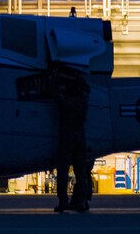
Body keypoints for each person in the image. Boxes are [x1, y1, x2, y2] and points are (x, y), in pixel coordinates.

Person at [50, 64, 91, 212]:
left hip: (67, 136)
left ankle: (63, 201)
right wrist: (78, 78)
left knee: (63, 170)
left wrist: (54, 76)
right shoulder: (83, 101)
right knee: (81, 172)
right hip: (80, 136)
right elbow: (87, 89)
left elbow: (55, 93)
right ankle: (81, 201)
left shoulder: (65, 102)